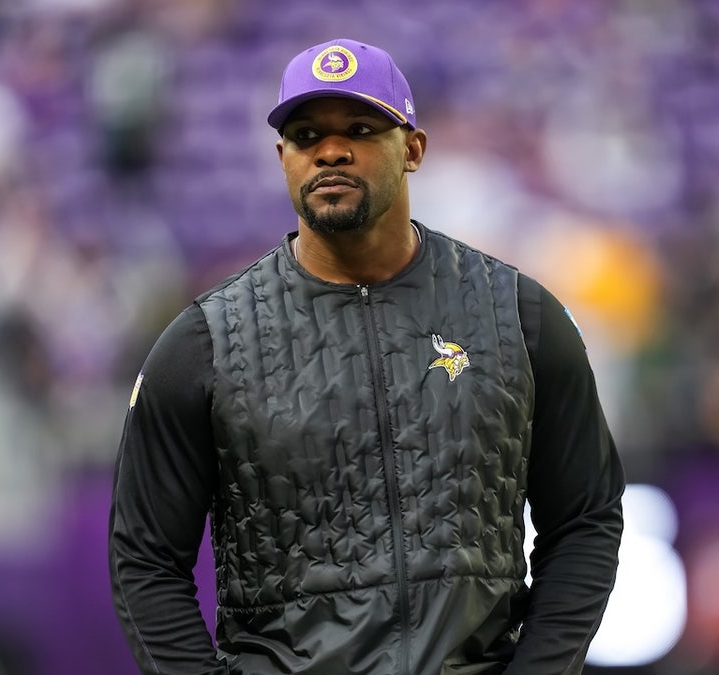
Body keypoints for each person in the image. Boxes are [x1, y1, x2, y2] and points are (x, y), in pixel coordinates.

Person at [108, 38, 625, 675]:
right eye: (304, 135)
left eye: (359, 127)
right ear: (282, 158)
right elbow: (145, 560)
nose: (329, 150)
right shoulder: (204, 344)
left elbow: (585, 519)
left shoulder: (517, 314)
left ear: (412, 148)